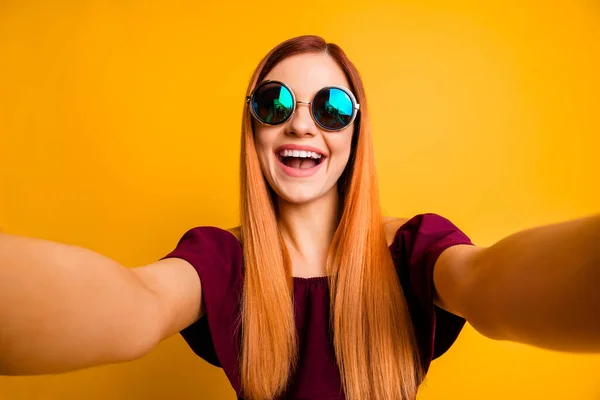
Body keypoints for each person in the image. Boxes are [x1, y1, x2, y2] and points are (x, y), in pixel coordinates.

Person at [0, 35, 598, 400]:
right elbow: (135, 304)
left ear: (357, 131)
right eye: (275, 102)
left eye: (332, 107)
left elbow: (489, 283)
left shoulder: (413, 250)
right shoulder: (221, 261)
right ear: (253, 126)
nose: (302, 124)